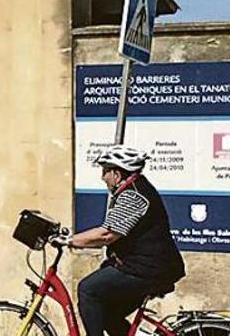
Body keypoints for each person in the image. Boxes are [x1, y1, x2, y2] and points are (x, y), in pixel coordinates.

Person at [65, 144, 186, 336]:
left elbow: (107, 234)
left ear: (116, 174)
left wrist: (68, 240)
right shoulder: (133, 189)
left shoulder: (134, 195)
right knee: (107, 314)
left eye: (105, 171)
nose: (102, 177)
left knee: (87, 289)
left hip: (148, 269)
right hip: (145, 267)